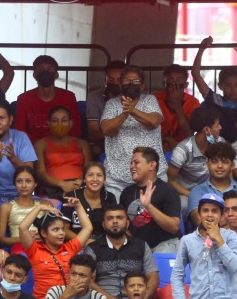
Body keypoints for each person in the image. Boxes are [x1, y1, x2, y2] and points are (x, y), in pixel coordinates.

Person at [99, 65, 163, 196]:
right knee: (116, 209)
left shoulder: (150, 100)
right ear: (120, 84)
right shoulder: (112, 104)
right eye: (127, 81)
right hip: (117, 176)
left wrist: (132, 110)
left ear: (142, 85)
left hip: (150, 174)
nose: (131, 84)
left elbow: (154, 122)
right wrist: (126, 112)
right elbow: (106, 129)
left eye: (135, 81)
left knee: (150, 209)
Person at [121, 146, 182, 251]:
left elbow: (174, 227)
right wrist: (133, 243)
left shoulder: (168, 191)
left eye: (136, 162)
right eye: (131, 163)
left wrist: (148, 206)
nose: (131, 167)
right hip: (138, 247)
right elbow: (123, 224)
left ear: (152, 165)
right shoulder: (126, 193)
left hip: (166, 244)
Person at [13, 55, 80, 143]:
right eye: (40, 69)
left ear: (56, 75)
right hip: (32, 147)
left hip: (62, 146)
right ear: (34, 75)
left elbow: (75, 131)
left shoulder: (68, 97)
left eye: (50, 69)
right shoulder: (24, 99)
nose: (45, 72)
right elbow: (20, 132)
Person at [32, 106, 92, 200]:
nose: (59, 124)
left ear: (71, 123)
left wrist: (80, 182)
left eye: (64, 120)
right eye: (55, 121)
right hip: (53, 191)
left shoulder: (82, 144)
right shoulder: (40, 144)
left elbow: (89, 169)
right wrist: (62, 184)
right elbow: (41, 174)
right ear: (48, 124)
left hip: (81, 188)